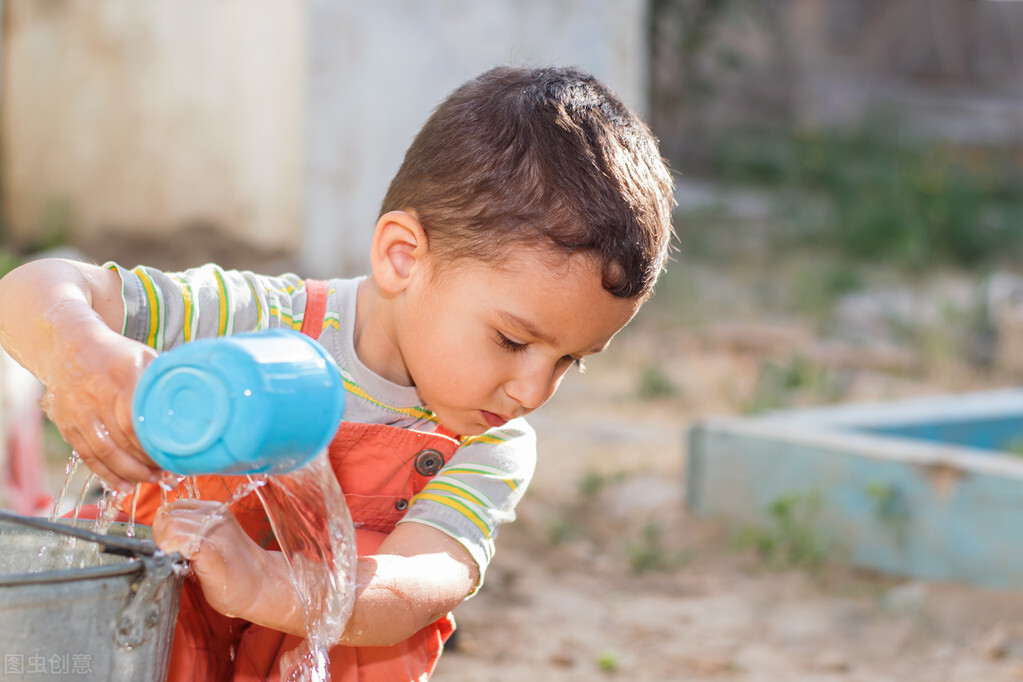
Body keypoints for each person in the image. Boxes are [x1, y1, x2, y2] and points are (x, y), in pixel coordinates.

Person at [0, 65, 675, 680]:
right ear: (403, 258)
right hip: (158, 635)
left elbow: (420, 579)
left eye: (569, 361)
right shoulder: (253, 318)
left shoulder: (487, 441)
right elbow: (33, 289)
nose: (532, 391)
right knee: (143, 575)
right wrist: (84, 357)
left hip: (301, 648)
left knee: (374, 622)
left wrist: (267, 584)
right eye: (511, 340)